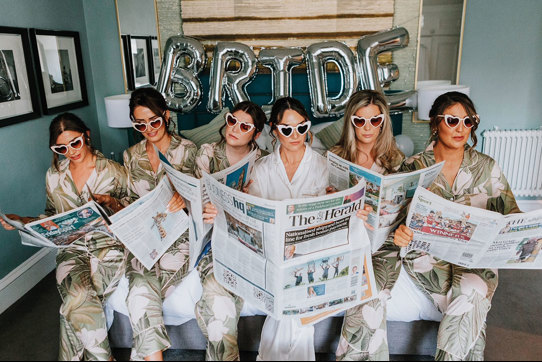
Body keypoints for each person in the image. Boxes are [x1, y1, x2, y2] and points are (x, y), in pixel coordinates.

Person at [393, 91, 520, 360]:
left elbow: (512, 213)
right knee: (472, 301)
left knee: (472, 289)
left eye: (468, 121)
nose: (461, 128)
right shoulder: (412, 167)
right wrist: (400, 232)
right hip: (428, 259)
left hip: (476, 258)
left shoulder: (487, 167)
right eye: (452, 121)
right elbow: (394, 217)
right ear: (435, 123)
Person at [0, 113, 129, 361]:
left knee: (75, 302)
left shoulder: (113, 171)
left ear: (87, 136)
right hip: (71, 249)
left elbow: (132, 209)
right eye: (61, 148)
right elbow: (51, 214)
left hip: (109, 247)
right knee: (77, 295)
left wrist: (112, 203)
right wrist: (23, 221)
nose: (70, 151)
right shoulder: (54, 176)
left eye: (75, 143)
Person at [330, 90, 405, 360]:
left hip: (383, 246)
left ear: (384, 122)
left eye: (375, 120)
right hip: (347, 242)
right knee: (366, 295)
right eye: (360, 121)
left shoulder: (397, 161)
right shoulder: (336, 157)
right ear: (351, 121)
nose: (368, 127)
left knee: (370, 293)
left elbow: (405, 209)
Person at [123, 87, 197, 361]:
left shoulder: (188, 150)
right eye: (140, 124)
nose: (148, 128)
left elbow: (202, 195)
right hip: (144, 235)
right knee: (139, 282)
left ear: (166, 116)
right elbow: (131, 199)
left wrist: (185, 198)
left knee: (143, 290)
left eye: (154, 121)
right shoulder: (131, 156)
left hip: (179, 234)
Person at [194, 101, 267, 361]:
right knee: (217, 290)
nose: (235, 128)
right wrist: (205, 208)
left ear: (256, 134)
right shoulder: (207, 153)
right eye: (231, 120)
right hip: (211, 239)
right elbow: (195, 198)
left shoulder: (262, 161)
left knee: (223, 292)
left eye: (245, 126)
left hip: (244, 240)